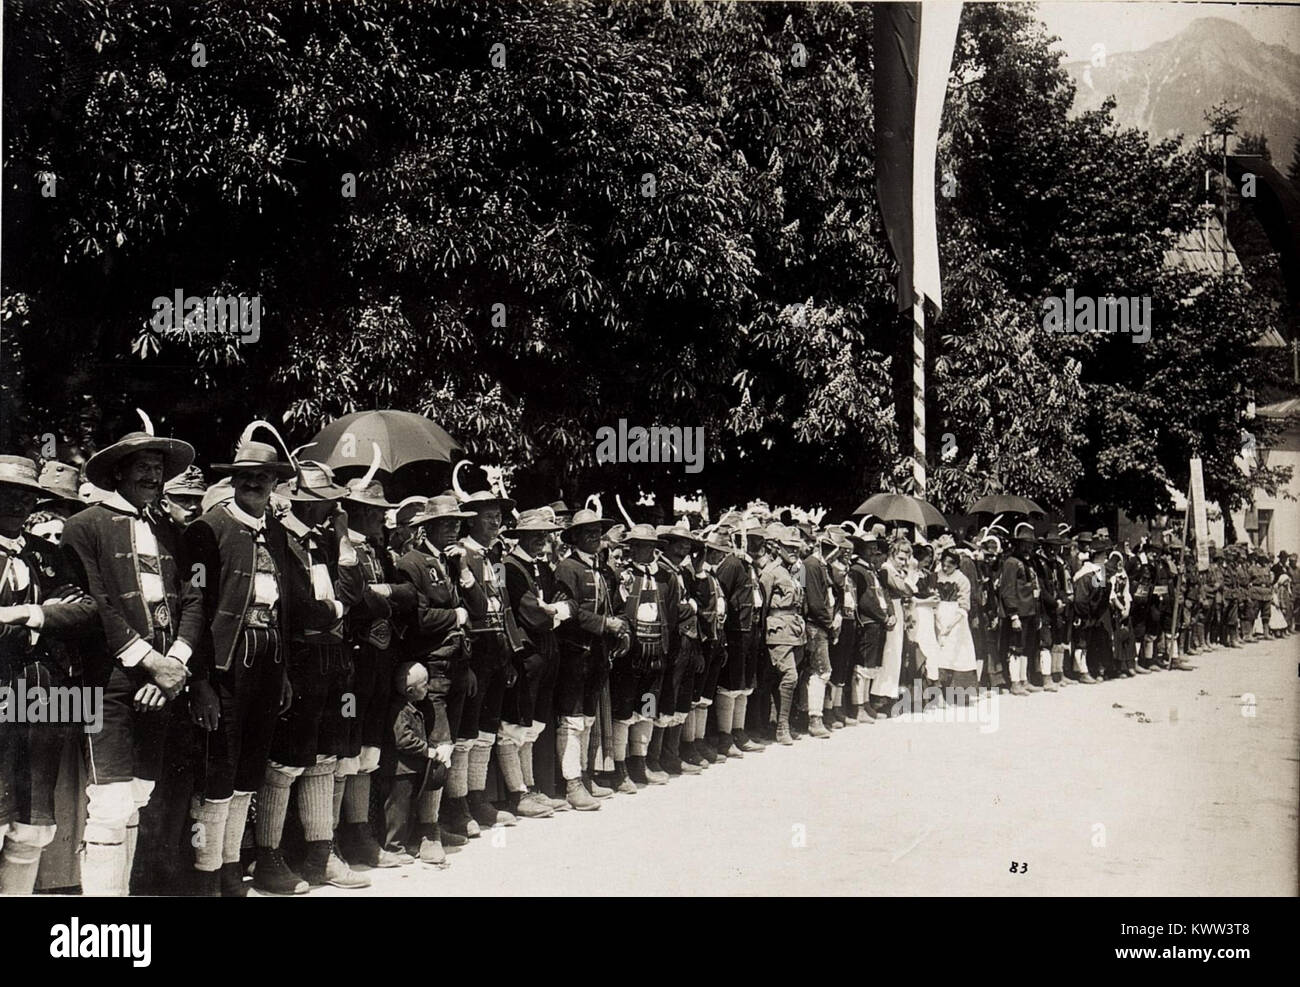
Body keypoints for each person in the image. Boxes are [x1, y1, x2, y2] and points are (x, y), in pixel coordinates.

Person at [60, 427, 206, 896]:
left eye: (158, 467)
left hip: (166, 680)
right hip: (111, 682)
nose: (152, 474)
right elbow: (95, 602)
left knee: (138, 796)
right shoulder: (85, 526)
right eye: (142, 465)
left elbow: (192, 599)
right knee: (108, 802)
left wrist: (174, 665)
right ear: (118, 471)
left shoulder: (172, 530)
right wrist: (150, 663)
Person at [184, 430, 321, 896]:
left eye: (264, 478)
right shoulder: (209, 528)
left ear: (275, 485)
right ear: (235, 481)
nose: (256, 484)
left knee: (249, 769)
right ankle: (206, 875)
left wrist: (281, 670)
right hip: (226, 663)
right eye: (247, 478)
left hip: (268, 659)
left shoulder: (278, 533)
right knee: (218, 769)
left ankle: (230, 865)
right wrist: (200, 681)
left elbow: (285, 607)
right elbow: (195, 607)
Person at [256, 461, 369, 892]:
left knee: (326, 757)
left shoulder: (324, 542)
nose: (325, 510)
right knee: (286, 761)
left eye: (328, 504)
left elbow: (353, 592)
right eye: (316, 504)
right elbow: (300, 609)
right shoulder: (279, 543)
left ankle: (321, 855)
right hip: (298, 663)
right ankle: (269, 859)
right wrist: (335, 611)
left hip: (333, 663)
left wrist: (341, 537)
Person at [0, 457, 97, 894]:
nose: (15, 503)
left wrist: (24, 613)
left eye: (23, 495)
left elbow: (84, 611)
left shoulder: (48, 555)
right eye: (5, 493)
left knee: (32, 824)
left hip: (41, 694)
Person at [336, 472, 417, 869]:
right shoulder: (340, 546)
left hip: (379, 665)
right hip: (352, 663)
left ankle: (361, 834)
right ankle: (338, 838)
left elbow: (407, 593)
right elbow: (352, 599)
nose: (382, 520)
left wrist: (383, 595)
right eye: (373, 513)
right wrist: (381, 598)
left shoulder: (381, 552)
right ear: (355, 512)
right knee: (346, 749)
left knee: (370, 746)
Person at [395, 495, 479, 849]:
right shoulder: (411, 563)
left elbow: (479, 607)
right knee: (437, 748)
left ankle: (435, 822)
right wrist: (454, 617)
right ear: (426, 527)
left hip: (457, 664)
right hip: (432, 667)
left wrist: (463, 570)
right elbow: (417, 618)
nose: (453, 529)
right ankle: (424, 832)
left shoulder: (453, 560)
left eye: (456, 524)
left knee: (452, 745)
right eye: (446, 524)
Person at [498, 508, 570, 814]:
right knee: (514, 725)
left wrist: (555, 610)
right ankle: (518, 793)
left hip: (547, 652)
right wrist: (554, 613)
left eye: (545, 534)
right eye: (535, 535)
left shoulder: (543, 567)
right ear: (521, 537)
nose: (542, 539)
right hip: (526, 654)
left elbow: (567, 602)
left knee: (533, 725)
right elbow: (532, 613)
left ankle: (531, 787)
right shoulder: (509, 568)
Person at [551, 508, 624, 809]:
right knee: (572, 719)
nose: (594, 536)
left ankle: (585, 773)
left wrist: (623, 627)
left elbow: (617, 604)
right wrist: (604, 624)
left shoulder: (605, 569)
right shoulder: (567, 569)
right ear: (575, 537)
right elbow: (567, 610)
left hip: (598, 654)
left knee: (589, 718)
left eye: (597, 531)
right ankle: (572, 784)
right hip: (573, 653)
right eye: (588, 532)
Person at [458, 489, 521, 830]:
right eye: (488, 516)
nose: (496, 522)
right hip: (474, 653)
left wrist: (510, 656)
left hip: (497, 651)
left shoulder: (495, 555)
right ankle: (461, 806)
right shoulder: (461, 554)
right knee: (466, 731)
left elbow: (504, 606)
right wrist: (465, 664)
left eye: (498, 516)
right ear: (471, 519)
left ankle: (479, 798)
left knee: (487, 729)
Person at [378, 661, 450, 862]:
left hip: (407, 769)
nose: (428, 688)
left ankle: (402, 844)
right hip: (400, 770)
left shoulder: (410, 707)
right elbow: (403, 740)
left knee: (406, 808)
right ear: (410, 691)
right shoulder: (401, 711)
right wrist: (426, 750)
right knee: (397, 810)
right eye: (424, 685)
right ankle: (394, 848)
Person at [759, 524, 806, 744]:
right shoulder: (771, 572)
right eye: (788, 546)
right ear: (778, 547)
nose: (793, 551)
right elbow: (763, 605)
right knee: (790, 676)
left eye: (796, 547)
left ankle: (773, 722)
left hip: (795, 629)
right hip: (777, 630)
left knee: (780, 678)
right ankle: (782, 727)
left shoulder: (794, 571)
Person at [999, 523, 1042, 697]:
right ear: (1017, 545)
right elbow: (1008, 590)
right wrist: (1013, 614)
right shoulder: (1011, 563)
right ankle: (1015, 682)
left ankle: (1024, 679)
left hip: (1030, 611)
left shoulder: (1028, 563)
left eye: (1030, 545)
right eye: (1024, 544)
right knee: (1015, 647)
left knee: (1027, 647)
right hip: (1019, 612)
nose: (1028, 548)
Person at [872, 536, 914, 714]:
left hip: (898, 610)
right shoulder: (886, 570)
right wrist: (906, 582)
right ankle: (879, 696)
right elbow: (905, 589)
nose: (903, 563)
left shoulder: (897, 571)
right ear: (892, 554)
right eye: (901, 559)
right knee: (888, 654)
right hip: (889, 611)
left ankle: (889, 694)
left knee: (896, 654)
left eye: (906, 560)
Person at [934, 549, 978, 701]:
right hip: (938, 614)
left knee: (957, 653)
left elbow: (964, 606)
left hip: (956, 619)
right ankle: (939, 692)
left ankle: (958, 694)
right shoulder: (936, 576)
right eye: (943, 565)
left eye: (949, 565)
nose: (945, 568)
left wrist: (950, 625)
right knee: (940, 653)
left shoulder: (962, 579)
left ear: (956, 565)